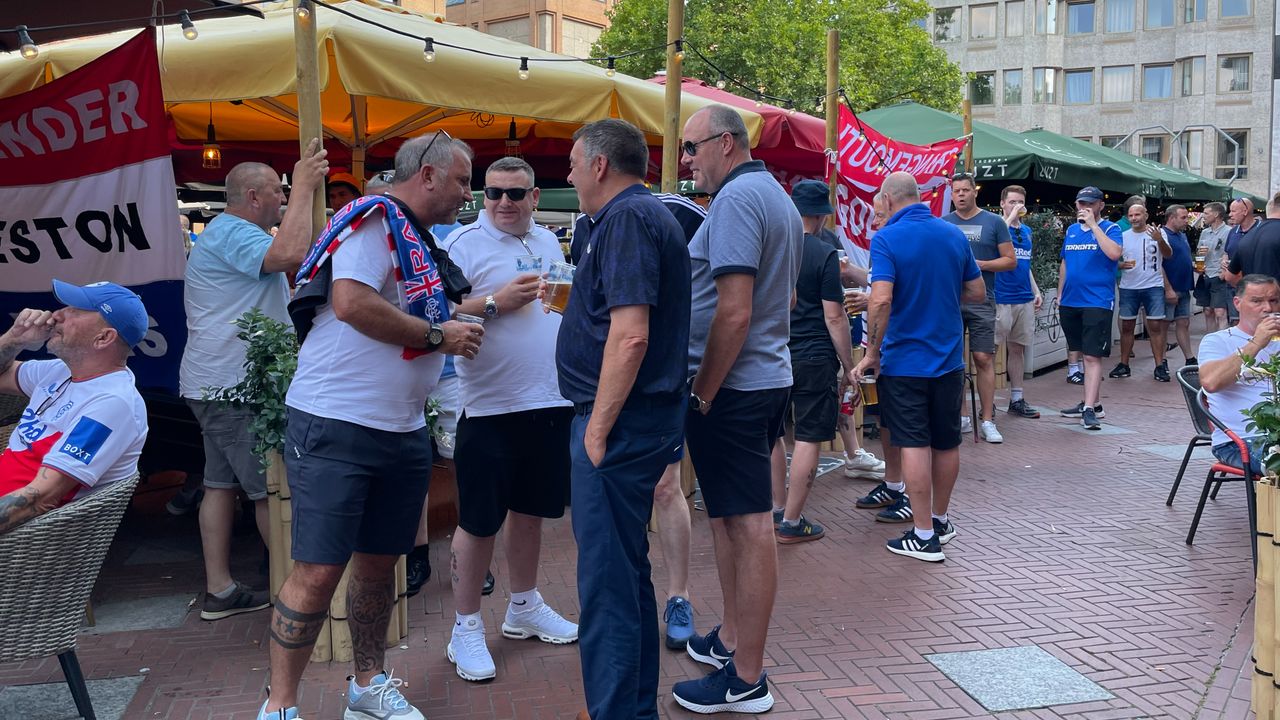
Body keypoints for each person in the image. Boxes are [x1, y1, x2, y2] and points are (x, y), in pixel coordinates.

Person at [256, 132, 484, 720]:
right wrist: (438, 336)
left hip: (402, 427)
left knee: (381, 565)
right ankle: (279, 707)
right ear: (428, 175)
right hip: (336, 423)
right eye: (461, 180)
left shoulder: (416, 241)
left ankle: (366, 684)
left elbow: (434, 308)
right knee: (318, 569)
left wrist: (490, 307)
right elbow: (353, 302)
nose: (467, 192)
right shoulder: (373, 221)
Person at [557, 118, 691, 720]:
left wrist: (597, 429)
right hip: (634, 422)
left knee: (608, 589)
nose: (567, 173)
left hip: (621, 425)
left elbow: (630, 335)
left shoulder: (628, 219)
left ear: (600, 165)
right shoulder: (636, 217)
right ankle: (634, 710)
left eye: (572, 162)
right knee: (626, 576)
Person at [674, 104, 801, 715]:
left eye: (692, 146)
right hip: (758, 381)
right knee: (730, 519)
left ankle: (746, 676)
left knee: (749, 526)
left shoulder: (735, 201)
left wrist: (703, 390)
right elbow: (788, 294)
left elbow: (735, 310)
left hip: (735, 389)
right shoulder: (772, 195)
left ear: (726, 143)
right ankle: (729, 640)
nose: (685, 160)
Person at [440, 157, 578, 682]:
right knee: (477, 522)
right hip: (490, 406)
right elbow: (437, 311)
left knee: (531, 512)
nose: (503, 202)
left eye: (515, 194)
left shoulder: (546, 241)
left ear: (535, 198)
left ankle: (523, 606)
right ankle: (465, 626)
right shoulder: (462, 245)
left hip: (549, 400)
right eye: (493, 192)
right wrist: (495, 302)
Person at [180, 143, 328, 622]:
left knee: (219, 486)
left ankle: (219, 590)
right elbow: (291, 252)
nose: (282, 203)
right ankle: (295, 598)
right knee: (270, 489)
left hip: (217, 382)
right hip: (235, 385)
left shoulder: (227, 234)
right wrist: (305, 184)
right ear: (252, 196)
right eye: (277, 195)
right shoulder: (234, 233)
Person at [853, 172, 984, 565]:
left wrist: (871, 352)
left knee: (913, 443)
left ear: (889, 201)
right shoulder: (951, 234)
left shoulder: (887, 239)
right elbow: (977, 292)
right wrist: (938, 291)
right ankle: (941, 521)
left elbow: (879, 301)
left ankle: (924, 535)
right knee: (946, 443)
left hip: (906, 360)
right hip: (948, 360)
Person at [0, 281, 149, 534]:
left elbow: (42, 496)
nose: (56, 315)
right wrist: (15, 339)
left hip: (22, 537)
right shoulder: (61, 370)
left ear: (103, 338)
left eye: (75, 311)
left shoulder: (112, 403)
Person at [769, 180, 854, 544]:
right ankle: (792, 521)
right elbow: (835, 317)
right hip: (815, 355)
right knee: (808, 437)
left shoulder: (771, 247)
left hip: (772, 352)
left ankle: (776, 507)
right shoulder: (824, 253)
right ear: (820, 216)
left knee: (773, 435)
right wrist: (848, 363)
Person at [652, 191, 708, 651]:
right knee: (615, 492)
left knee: (666, 487)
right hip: (605, 386)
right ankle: (623, 599)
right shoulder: (593, 224)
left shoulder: (680, 213)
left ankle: (678, 596)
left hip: (666, 379)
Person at [942, 173, 1015, 444]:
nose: (960, 194)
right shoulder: (943, 224)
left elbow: (1010, 261)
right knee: (953, 360)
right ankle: (961, 415)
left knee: (984, 358)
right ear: (951, 195)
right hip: (949, 300)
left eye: (965, 190)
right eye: (956, 191)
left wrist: (979, 265)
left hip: (983, 299)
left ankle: (987, 419)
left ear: (975, 192)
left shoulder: (994, 222)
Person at [1198, 274, 1280, 475]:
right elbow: (1210, 382)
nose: (1268, 309)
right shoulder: (1217, 341)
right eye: (1257, 301)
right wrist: (1257, 342)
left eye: (1273, 301)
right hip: (1240, 442)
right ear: (1237, 303)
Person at [1056, 186, 1123, 430]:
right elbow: (1065, 262)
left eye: (1090, 203)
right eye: (1080, 203)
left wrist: (1094, 226)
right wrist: (1060, 292)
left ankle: (1089, 410)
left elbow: (1115, 254)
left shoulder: (1111, 228)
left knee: (1093, 355)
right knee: (1082, 352)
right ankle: (1091, 402)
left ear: (1100, 205)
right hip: (1071, 300)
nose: (1084, 207)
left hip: (1097, 300)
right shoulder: (1072, 230)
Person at [994, 185, 1043, 418]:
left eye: (1020, 202)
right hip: (1001, 297)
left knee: (1017, 349)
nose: (1017, 207)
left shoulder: (1027, 232)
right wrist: (1009, 218)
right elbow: (990, 241)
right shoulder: (997, 226)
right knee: (991, 350)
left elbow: (1025, 263)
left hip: (1023, 297)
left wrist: (1036, 289)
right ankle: (989, 399)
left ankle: (1017, 398)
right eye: (1012, 202)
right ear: (1002, 203)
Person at [1109, 203, 1172, 382]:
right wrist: (1120, 265)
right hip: (1129, 286)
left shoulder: (1156, 232)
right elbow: (1112, 259)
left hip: (1153, 286)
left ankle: (1160, 366)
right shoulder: (1123, 236)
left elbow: (1168, 255)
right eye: (1131, 215)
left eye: (1137, 214)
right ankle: (1124, 364)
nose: (1134, 218)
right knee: (1127, 327)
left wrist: (1159, 239)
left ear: (1146, 215)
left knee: (1155, 327)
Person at [1159, 204, 1196, 369]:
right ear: (1171, 217)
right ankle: (1162, 359)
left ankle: (1189, 358)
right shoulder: (1161, 235)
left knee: (1183, 323)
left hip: (1183, 286)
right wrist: (1168, 289)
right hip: (1169, 287)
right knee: (1164, 326)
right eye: (1183, 217)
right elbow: (1159, 264)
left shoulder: (1182, 235)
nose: (1186, 220)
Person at [1225, 192, 1280, 284]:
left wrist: (1251, 291)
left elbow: (1230, 277)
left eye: (1233, 211)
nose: (1230, 215)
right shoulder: (1236, 232)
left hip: (1252, 294)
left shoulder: (1248, 236)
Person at [1199, 202, 1233, 331]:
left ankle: (1222, 344)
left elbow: (1231, 253)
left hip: (1220, 275)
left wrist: (1225, 271)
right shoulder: (1205, 233)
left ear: (1217, 214)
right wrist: (1199, 262)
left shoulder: (1229, 232)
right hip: (1205, 274)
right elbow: (1199, 254)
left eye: (1206, 213)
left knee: (1220, 312)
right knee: (1207, 311)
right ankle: (1210, 343)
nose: (1203, 216)